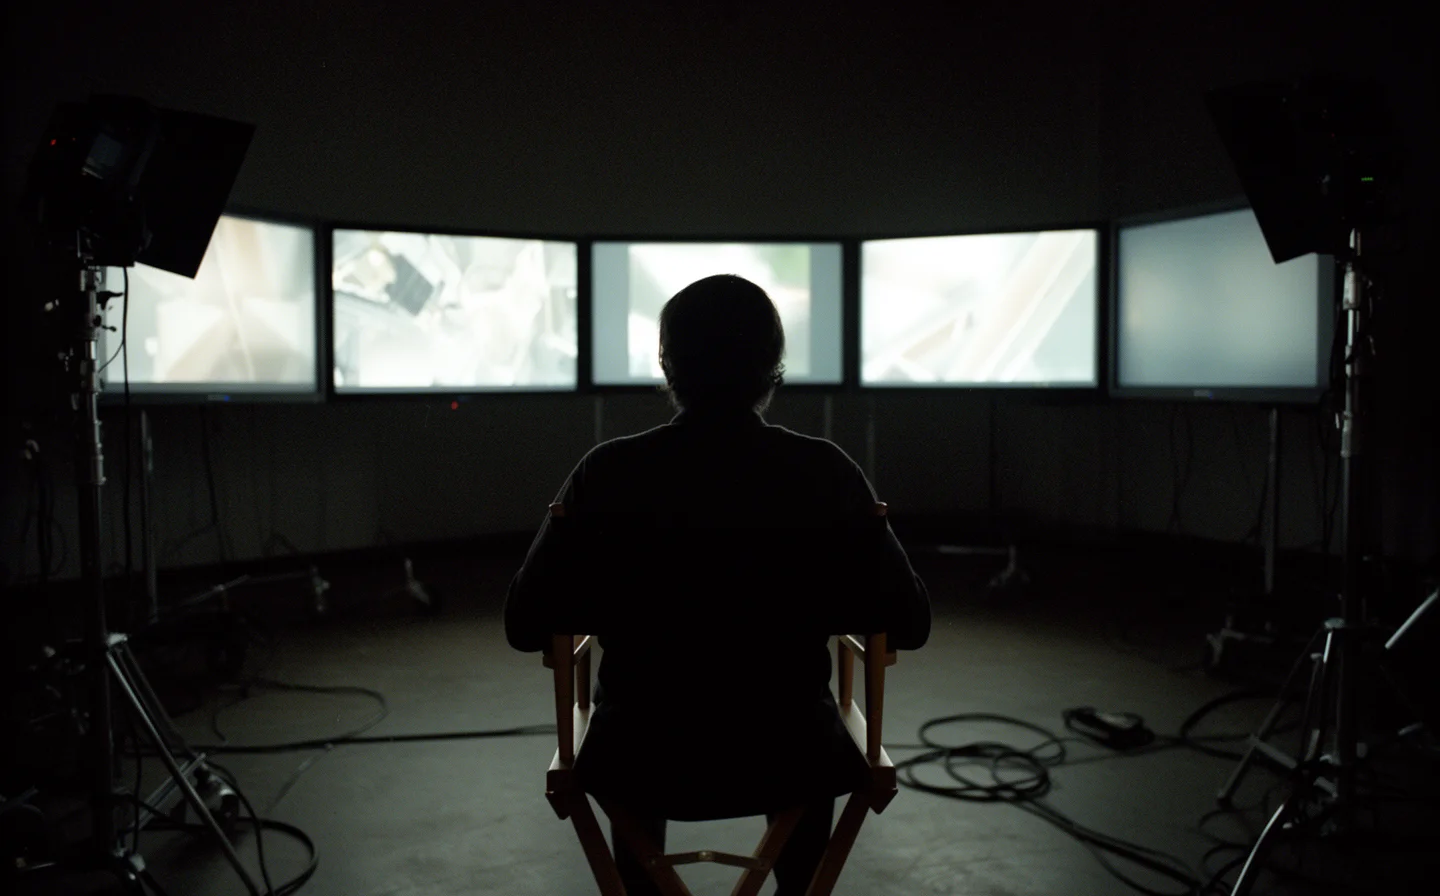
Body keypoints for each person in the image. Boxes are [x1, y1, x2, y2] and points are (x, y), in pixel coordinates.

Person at [505, 274, 930, 895]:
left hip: (641, 757)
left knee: (632, 739)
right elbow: (909, 623)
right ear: (774, 367)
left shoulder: (607, 473)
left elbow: (525, 625)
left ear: (666, 364)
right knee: (805, 735)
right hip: (789, 756)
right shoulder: (826, 471)